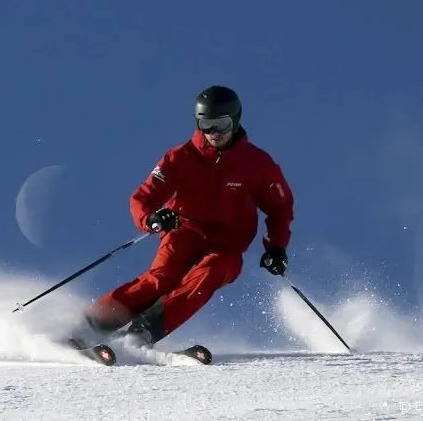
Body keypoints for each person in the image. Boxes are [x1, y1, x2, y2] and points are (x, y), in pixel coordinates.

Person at [84, 85, 295, 345]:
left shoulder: (257, 164)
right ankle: (91, 325)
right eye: (206, 124)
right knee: (159, 280)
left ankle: (141, 333)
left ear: (235, 120)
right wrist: (151, 218)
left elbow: (280, 207)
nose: (214, 132)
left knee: (209, 272)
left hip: (226, 247)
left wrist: (277, 247)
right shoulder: (181, 157)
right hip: (183, 233)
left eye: (221, 124)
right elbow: (143, 197)